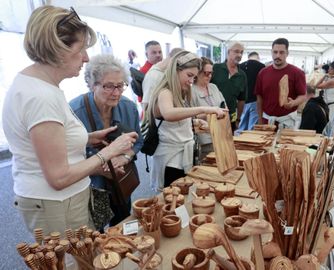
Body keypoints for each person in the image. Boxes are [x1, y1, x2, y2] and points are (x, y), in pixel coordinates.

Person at [2, 5, 137, 236]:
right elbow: (59, 177)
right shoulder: (40, 96)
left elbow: (51, 140)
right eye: (81, 49)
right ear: (58, 48)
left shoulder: (39, 86)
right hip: (57, 203)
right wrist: (111, 150)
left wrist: (88, 138)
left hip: (59, 201)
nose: (85, 58)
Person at [69, 54, 143, 230]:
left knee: (124, 226)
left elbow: (138, 143)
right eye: (109, 86)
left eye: (120, 85)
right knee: (96, 234)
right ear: (92, 84)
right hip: (92, 187)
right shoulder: (74, 111)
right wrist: (102, 169)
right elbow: (67, 158)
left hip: (120, 183)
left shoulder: (128, 107)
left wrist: (124, 157)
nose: (116, 93)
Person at [145, 51, 227, 191]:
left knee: (181, 196)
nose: (191, 81)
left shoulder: (181, 93)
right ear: (175, 71)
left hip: (182, 156)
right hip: (170, 160)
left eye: (194, 77)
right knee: (172, 199)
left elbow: (176, 121)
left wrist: (193, 122)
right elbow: (169, 114)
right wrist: (203, 109)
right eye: (189, 76)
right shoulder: (165, 92)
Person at [255, 38, 307, 129]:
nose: (277, 55)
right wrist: (260, 119)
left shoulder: (297, 73)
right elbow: (259, 98)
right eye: (275, 52)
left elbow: (303, 95)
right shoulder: (263, 73)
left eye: (281, 52)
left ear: (287, 53)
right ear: (271, 52)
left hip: (287, 122)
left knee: (286, 143)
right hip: (267, 121)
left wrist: (294, 103)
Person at [191, 57, 226, 160]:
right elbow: (191, 118)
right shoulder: (191, 91)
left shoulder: (213, 87)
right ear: (198, 73)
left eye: (211, 73)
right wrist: (212, 113)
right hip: (204, 140)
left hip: (220, 135)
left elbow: (223, 105)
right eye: (206, 73)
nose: (209, 76)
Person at [211, 41, 247, 132]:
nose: (239, 54)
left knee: (228, 143)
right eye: (236, 51)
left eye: (241, 52)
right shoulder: (215, 68)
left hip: (230, 117)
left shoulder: (242, 75)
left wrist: (238, 119)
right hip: (213, 115)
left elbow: (241, 100)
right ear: (228, 52)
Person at [142, 47, 184, 111]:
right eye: (178, 66)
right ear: (173, 60)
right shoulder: (153, 76)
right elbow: (146, 107)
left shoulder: (166, 73)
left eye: (160, 52)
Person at [237, 51, 265, 133]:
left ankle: (239, 143)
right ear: (258, 58)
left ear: (248, 57)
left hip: (242, 101)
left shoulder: (240, 66)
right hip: (256, 101)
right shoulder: (262, 67)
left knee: (241, 126)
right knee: (252, 128)